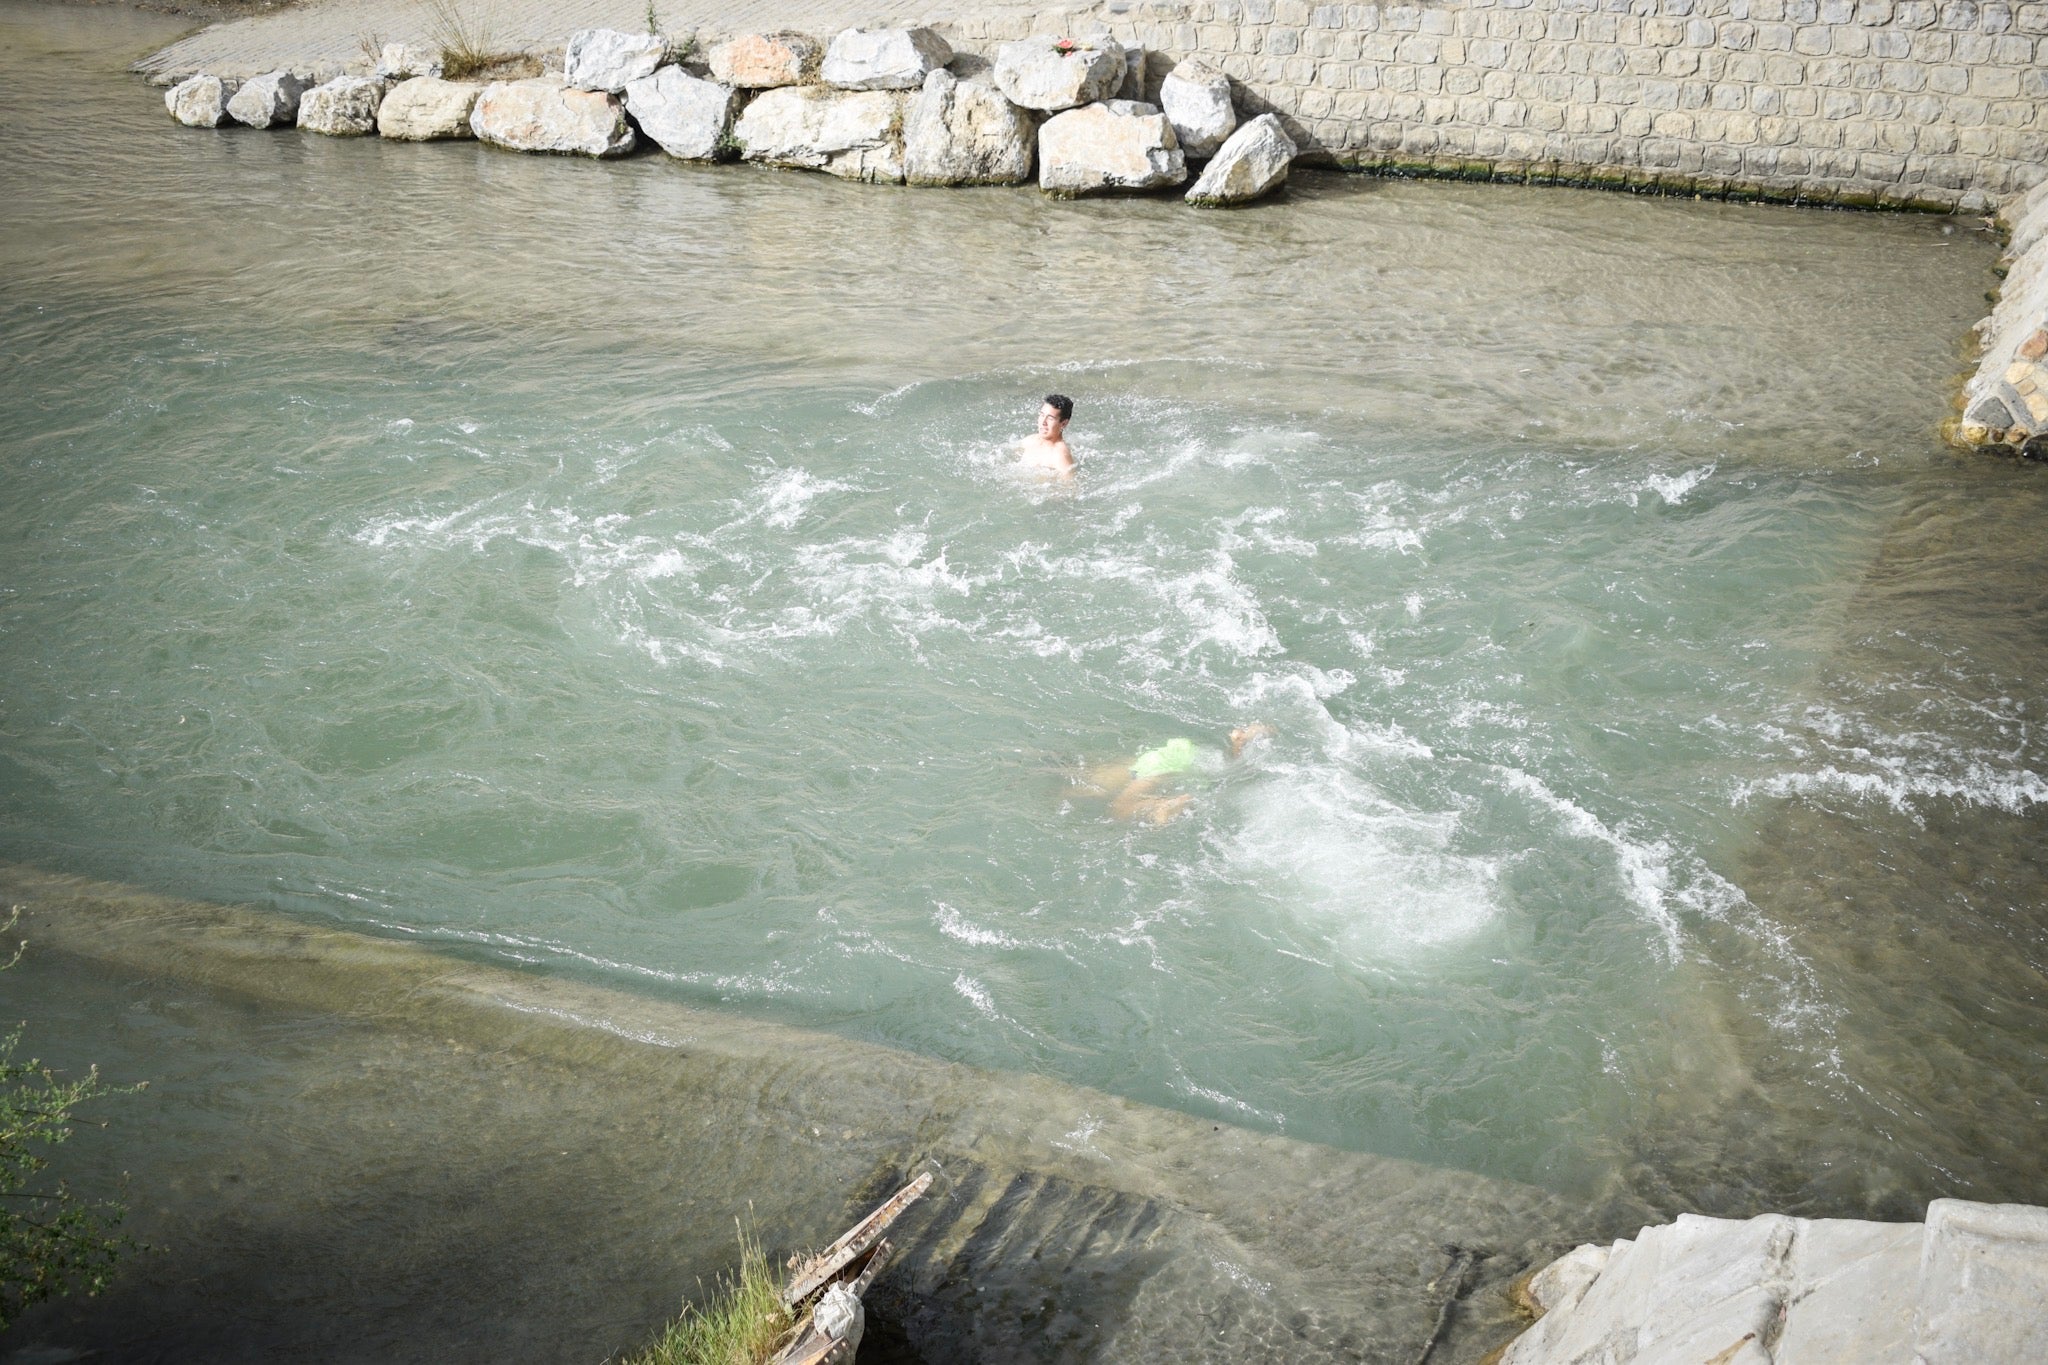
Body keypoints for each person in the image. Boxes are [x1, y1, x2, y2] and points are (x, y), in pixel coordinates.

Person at [1073, 724, 1274, 826]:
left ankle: (1162, 806)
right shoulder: (1117, 768)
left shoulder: (1100, 778)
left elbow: (1108, 800)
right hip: (1186, 753)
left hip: (1160, 767)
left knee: (1118, 810)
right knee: (1225, 767)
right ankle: (1242, 740)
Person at [1016, 393, 1076, 478]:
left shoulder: (1061, 456)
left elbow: (1070, 488)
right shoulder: (1030, 440)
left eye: (1050, 418)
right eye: (1042, 415)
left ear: (1063, 423)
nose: (1043, 422)